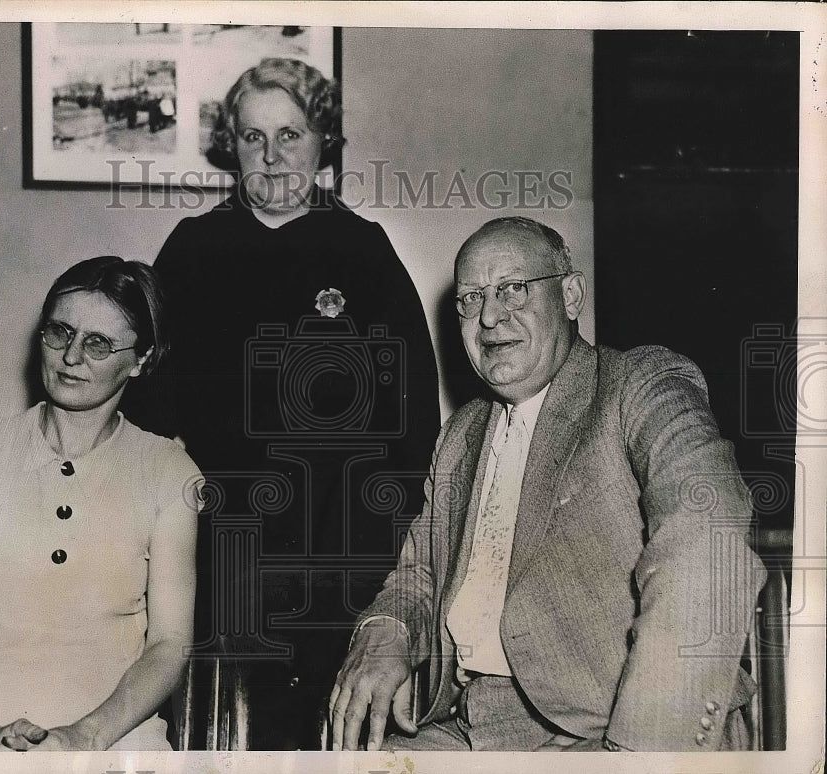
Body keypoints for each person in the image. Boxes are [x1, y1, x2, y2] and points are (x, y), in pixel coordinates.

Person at [329, 216, 767, 752]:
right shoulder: (462, 433)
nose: (490, 316)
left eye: (514, 288)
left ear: (571, 294)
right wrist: (385, 630)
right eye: (470, 298)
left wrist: (636, 747)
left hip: (610, 727)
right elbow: (419, 571)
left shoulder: (641, 386)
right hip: (468, 728)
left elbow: (707, 541)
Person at [120, 58, 440, 749]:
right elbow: (148, 418)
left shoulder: (362, 250)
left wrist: (380, 543)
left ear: (323, 141)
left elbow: (412, 422)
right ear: (229, 144)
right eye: (252, 137)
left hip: (340, 541)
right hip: (220, 543)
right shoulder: (193, 249)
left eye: (290, 135)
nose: (271, 156)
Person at [0, 257, 203, 751]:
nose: (70, 357)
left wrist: (84, 738)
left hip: (114, 741)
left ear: (142, 359)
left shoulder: (171, 475)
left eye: (98, 344)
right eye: (59, 333)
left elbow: (168, 647)